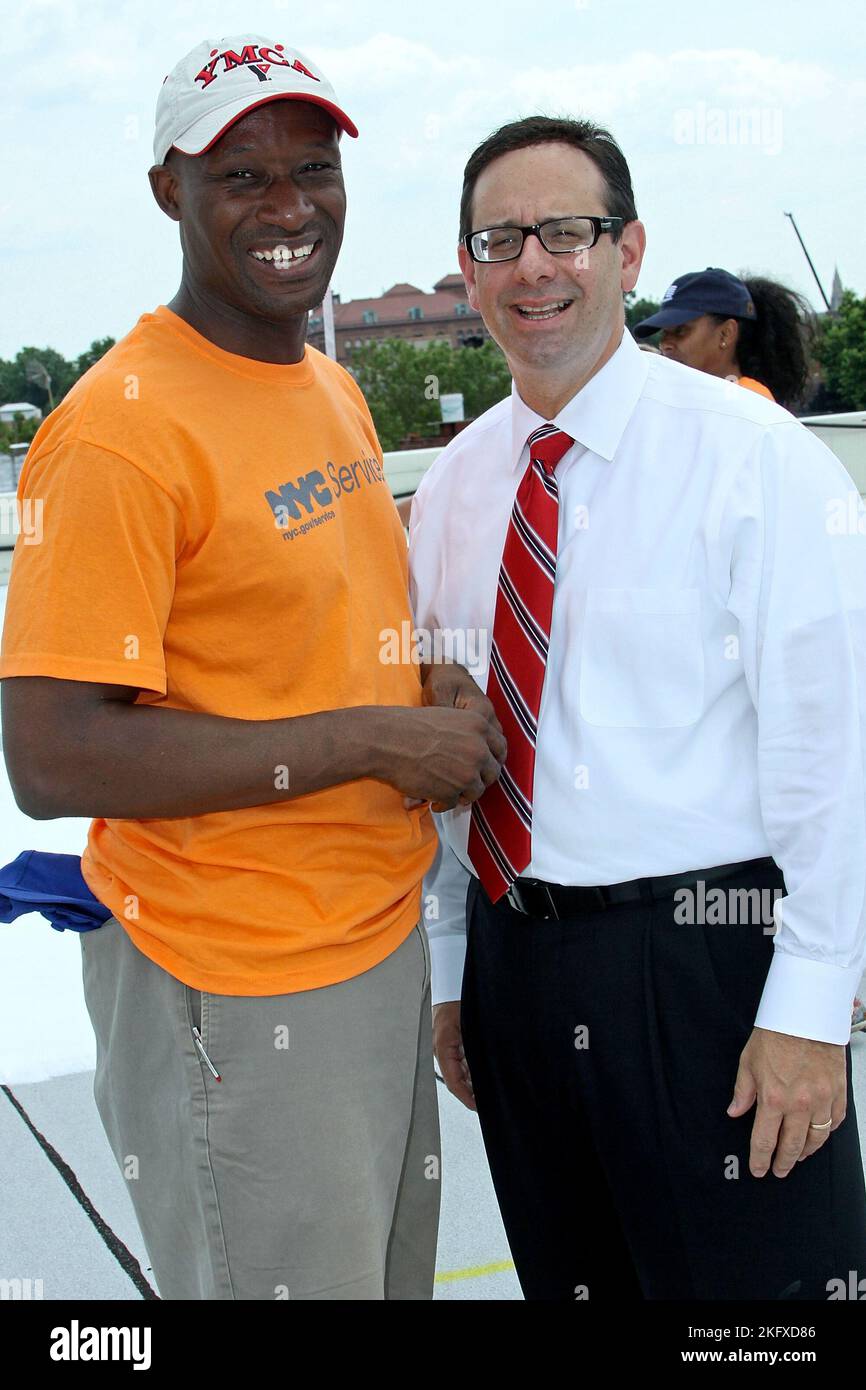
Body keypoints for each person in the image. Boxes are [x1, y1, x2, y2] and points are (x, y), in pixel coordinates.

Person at [0, 34, 505, 1301]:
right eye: (241, 177)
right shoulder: (115, 437)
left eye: (312, 167)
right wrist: (375, 743)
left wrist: (423, 688)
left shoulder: (324, 384)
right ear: (168, 190)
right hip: (234, 976)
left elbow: (321, 626)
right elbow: (53, 755)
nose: (289, 208)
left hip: (370, 941)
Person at [409, 114, 866, 1301]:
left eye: (566, 230)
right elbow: (455, 744)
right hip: (518, 969)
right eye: (497, 238)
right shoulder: (455, 486)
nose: (532, 265)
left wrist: (812, 1011)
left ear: (627, 250)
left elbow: (834, 749)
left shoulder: (751, 458)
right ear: (468, 268)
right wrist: (456, 967)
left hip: (707, 966)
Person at [633, 267, 813, 407]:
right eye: (664, 333)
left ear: (726, 333)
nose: (666, 344)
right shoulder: (696, 400)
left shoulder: (749, 401)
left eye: (681, 331)